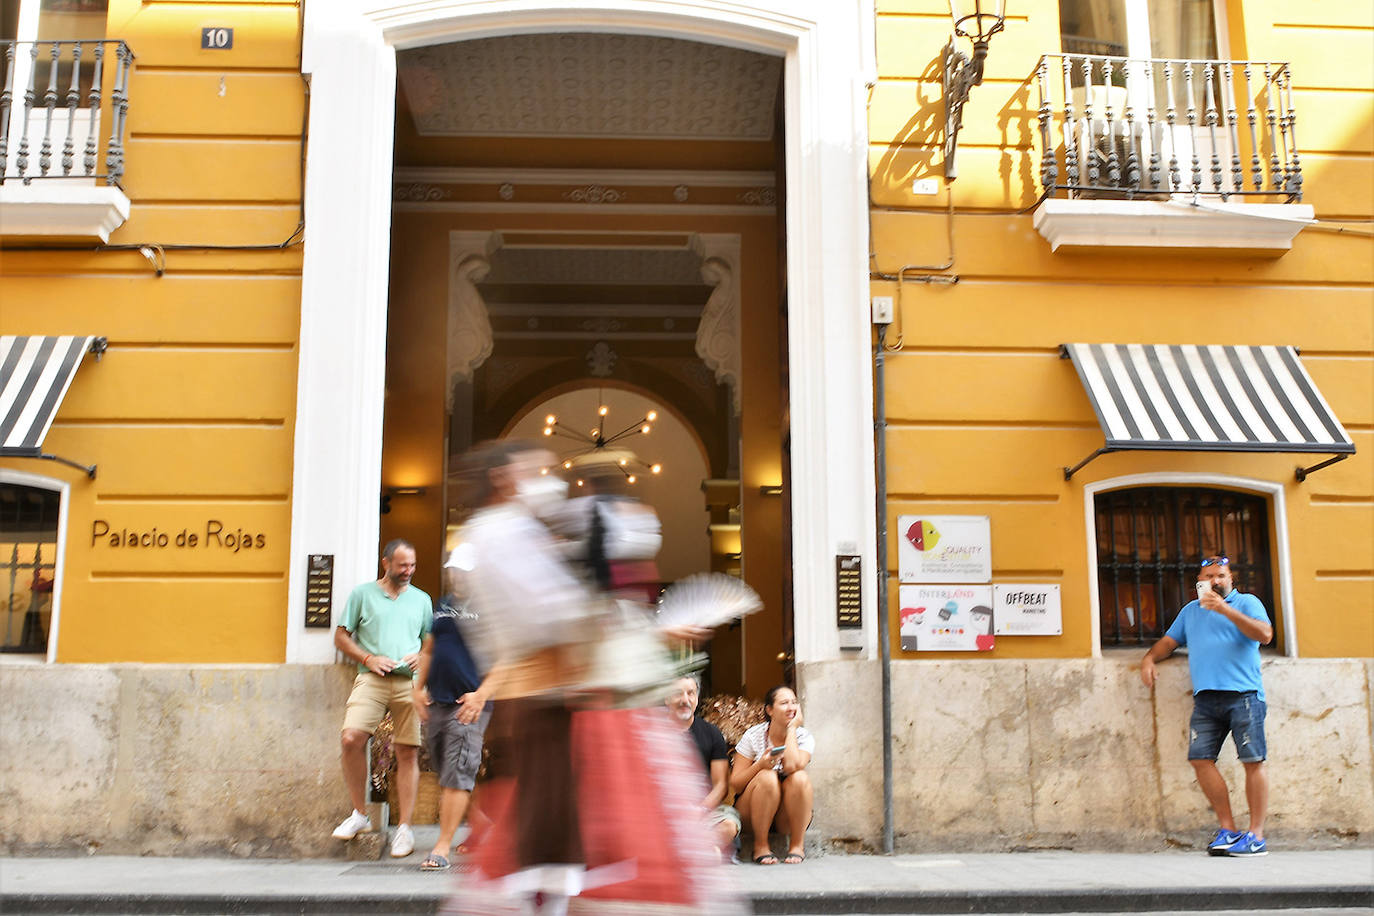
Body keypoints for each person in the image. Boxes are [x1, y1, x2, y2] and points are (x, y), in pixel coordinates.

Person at [1140, 555, 1273, 857]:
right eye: (1209, 576)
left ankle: (1256, 835)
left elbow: (1265, 635)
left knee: (1253, 761)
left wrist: (1225, 610)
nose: (1215, 581)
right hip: (1206, 698)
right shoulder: (1191, 611)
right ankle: (1228, 829)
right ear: (1199, 581)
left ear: (1230, 579)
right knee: (1200, 760)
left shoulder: (1247, 603)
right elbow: (1169, 643)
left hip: (1244, 695)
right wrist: (1149, 658)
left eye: (1221, 575)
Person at [331, 539, 433, 859]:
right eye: (403, 565)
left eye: (412, 565)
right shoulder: (363, 594)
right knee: (351, 738)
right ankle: (359, 814)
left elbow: (429, 643)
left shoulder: (422, 600)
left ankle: (404, 828)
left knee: (407, 752)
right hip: (372, 678)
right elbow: (341, 636)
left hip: (408, 682)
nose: (409, 571)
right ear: (385, 563)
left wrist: (421, 655)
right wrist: (368, 658)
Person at [410, 557, 501, 871]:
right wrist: (418, 688)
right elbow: (429, 649)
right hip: (439, 701)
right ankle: (483, 827)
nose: (457, 574)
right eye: (453, 569)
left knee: (456, 774)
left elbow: (505, 660)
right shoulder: (444, 604)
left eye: (464, 569)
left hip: (468, 705)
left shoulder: (490, 607)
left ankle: (442, 847)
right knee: (446, 770)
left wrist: (481, 696)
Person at [730, 685, 815, 865]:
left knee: (800, 777)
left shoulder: (803, 736)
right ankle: (760, 845)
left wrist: (791, 729)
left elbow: (792, 766)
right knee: (767, 777)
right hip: (752, 814)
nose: (791, 707)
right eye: (784, 703)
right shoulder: (753, 736)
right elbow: (736, 784)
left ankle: (797, 845)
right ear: (769, 710)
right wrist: (760, 765)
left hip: (786, 818)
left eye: (794, 702)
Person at [666, 675, 742, 859]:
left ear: (697, 698)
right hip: (664, 810)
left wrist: (699, 810)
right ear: (667, 699)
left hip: (703, 810)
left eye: (690, 693)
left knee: (729, 824)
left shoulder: (711, 733)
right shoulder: (655, 732)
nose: (685, 700)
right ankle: (701, 849)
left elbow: (721, 786)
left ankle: (683, 850)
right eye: (678, 694)